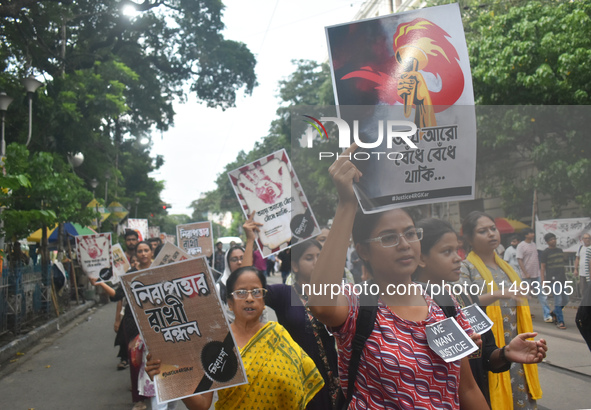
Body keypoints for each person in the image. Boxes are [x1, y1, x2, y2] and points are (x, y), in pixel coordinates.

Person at [308, 144, 489, 409]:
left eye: (410, 233)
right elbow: (321, 303)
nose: (404, 243)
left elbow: (468, 388)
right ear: (363, 251)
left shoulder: (443, 302)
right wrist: (347, 204)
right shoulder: (357, 305)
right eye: (389, 237)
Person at [146, 266, 324, 409]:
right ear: (230, 303)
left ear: (264, 301)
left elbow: (307, 378)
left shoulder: (278, 334)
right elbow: (202, 405)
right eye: (240, 293)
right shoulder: (216, 343)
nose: (249, 298)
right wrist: (170, 377)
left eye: (256, 292)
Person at [414, 218, 547, 405]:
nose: (458, 258)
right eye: (446, 252)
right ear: (421, 258)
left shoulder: (465, 297)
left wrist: (505, 353)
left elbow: (486, 355)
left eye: (456, 250)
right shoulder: (411, 309)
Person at [458, 212, 543, 410]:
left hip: (516, 343)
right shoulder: (465, 267)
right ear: (469, 238)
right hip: (490, 349)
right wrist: (499, 294)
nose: (490, 234)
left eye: (492, 229)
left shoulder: (507, 267)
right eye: (482, 231)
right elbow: (464, 302)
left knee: (521, 397)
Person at [264, 240, 343, 410]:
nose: (317, 262)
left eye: (320, 257)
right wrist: (252, 241)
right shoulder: (285, 294)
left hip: (334, 376)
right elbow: (250, 286)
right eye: (309, 258)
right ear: (295, 266)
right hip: (300, 379)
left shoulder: (334, 294)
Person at [91, 241, 154, 410]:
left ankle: (157, 393)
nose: (143, 253)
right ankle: (139, 399)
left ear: (151, 252)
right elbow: (117, 295)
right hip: (133, 322)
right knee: (135, 361)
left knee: (155, 359)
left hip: (156, 321)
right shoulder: (130, 274)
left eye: (146, 250)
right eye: (140, 251)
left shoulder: (159, 270)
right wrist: (100, 283)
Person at [517, 227, 552, 322]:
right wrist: (525, 272)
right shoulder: (521, 246)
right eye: (530, 233)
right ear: (525, 235)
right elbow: (519, 260)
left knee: (542, 294)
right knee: (526, 296)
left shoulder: (534, 244)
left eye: (532, 233)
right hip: (526, 276)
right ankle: (524, 315)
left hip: (536, 274)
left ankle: (547, 315)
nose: (532, 234)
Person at [540, 233, 569, 329]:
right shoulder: (545, 252)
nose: (553, 241)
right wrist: (543, 281)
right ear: (547, 242)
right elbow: (543, 267)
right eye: (551, 239)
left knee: (566, 299)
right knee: (558, 300)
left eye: (554, 239)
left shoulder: (560, 250)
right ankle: (560, 321)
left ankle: (555, 312)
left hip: (562, 279)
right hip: (552, 279)